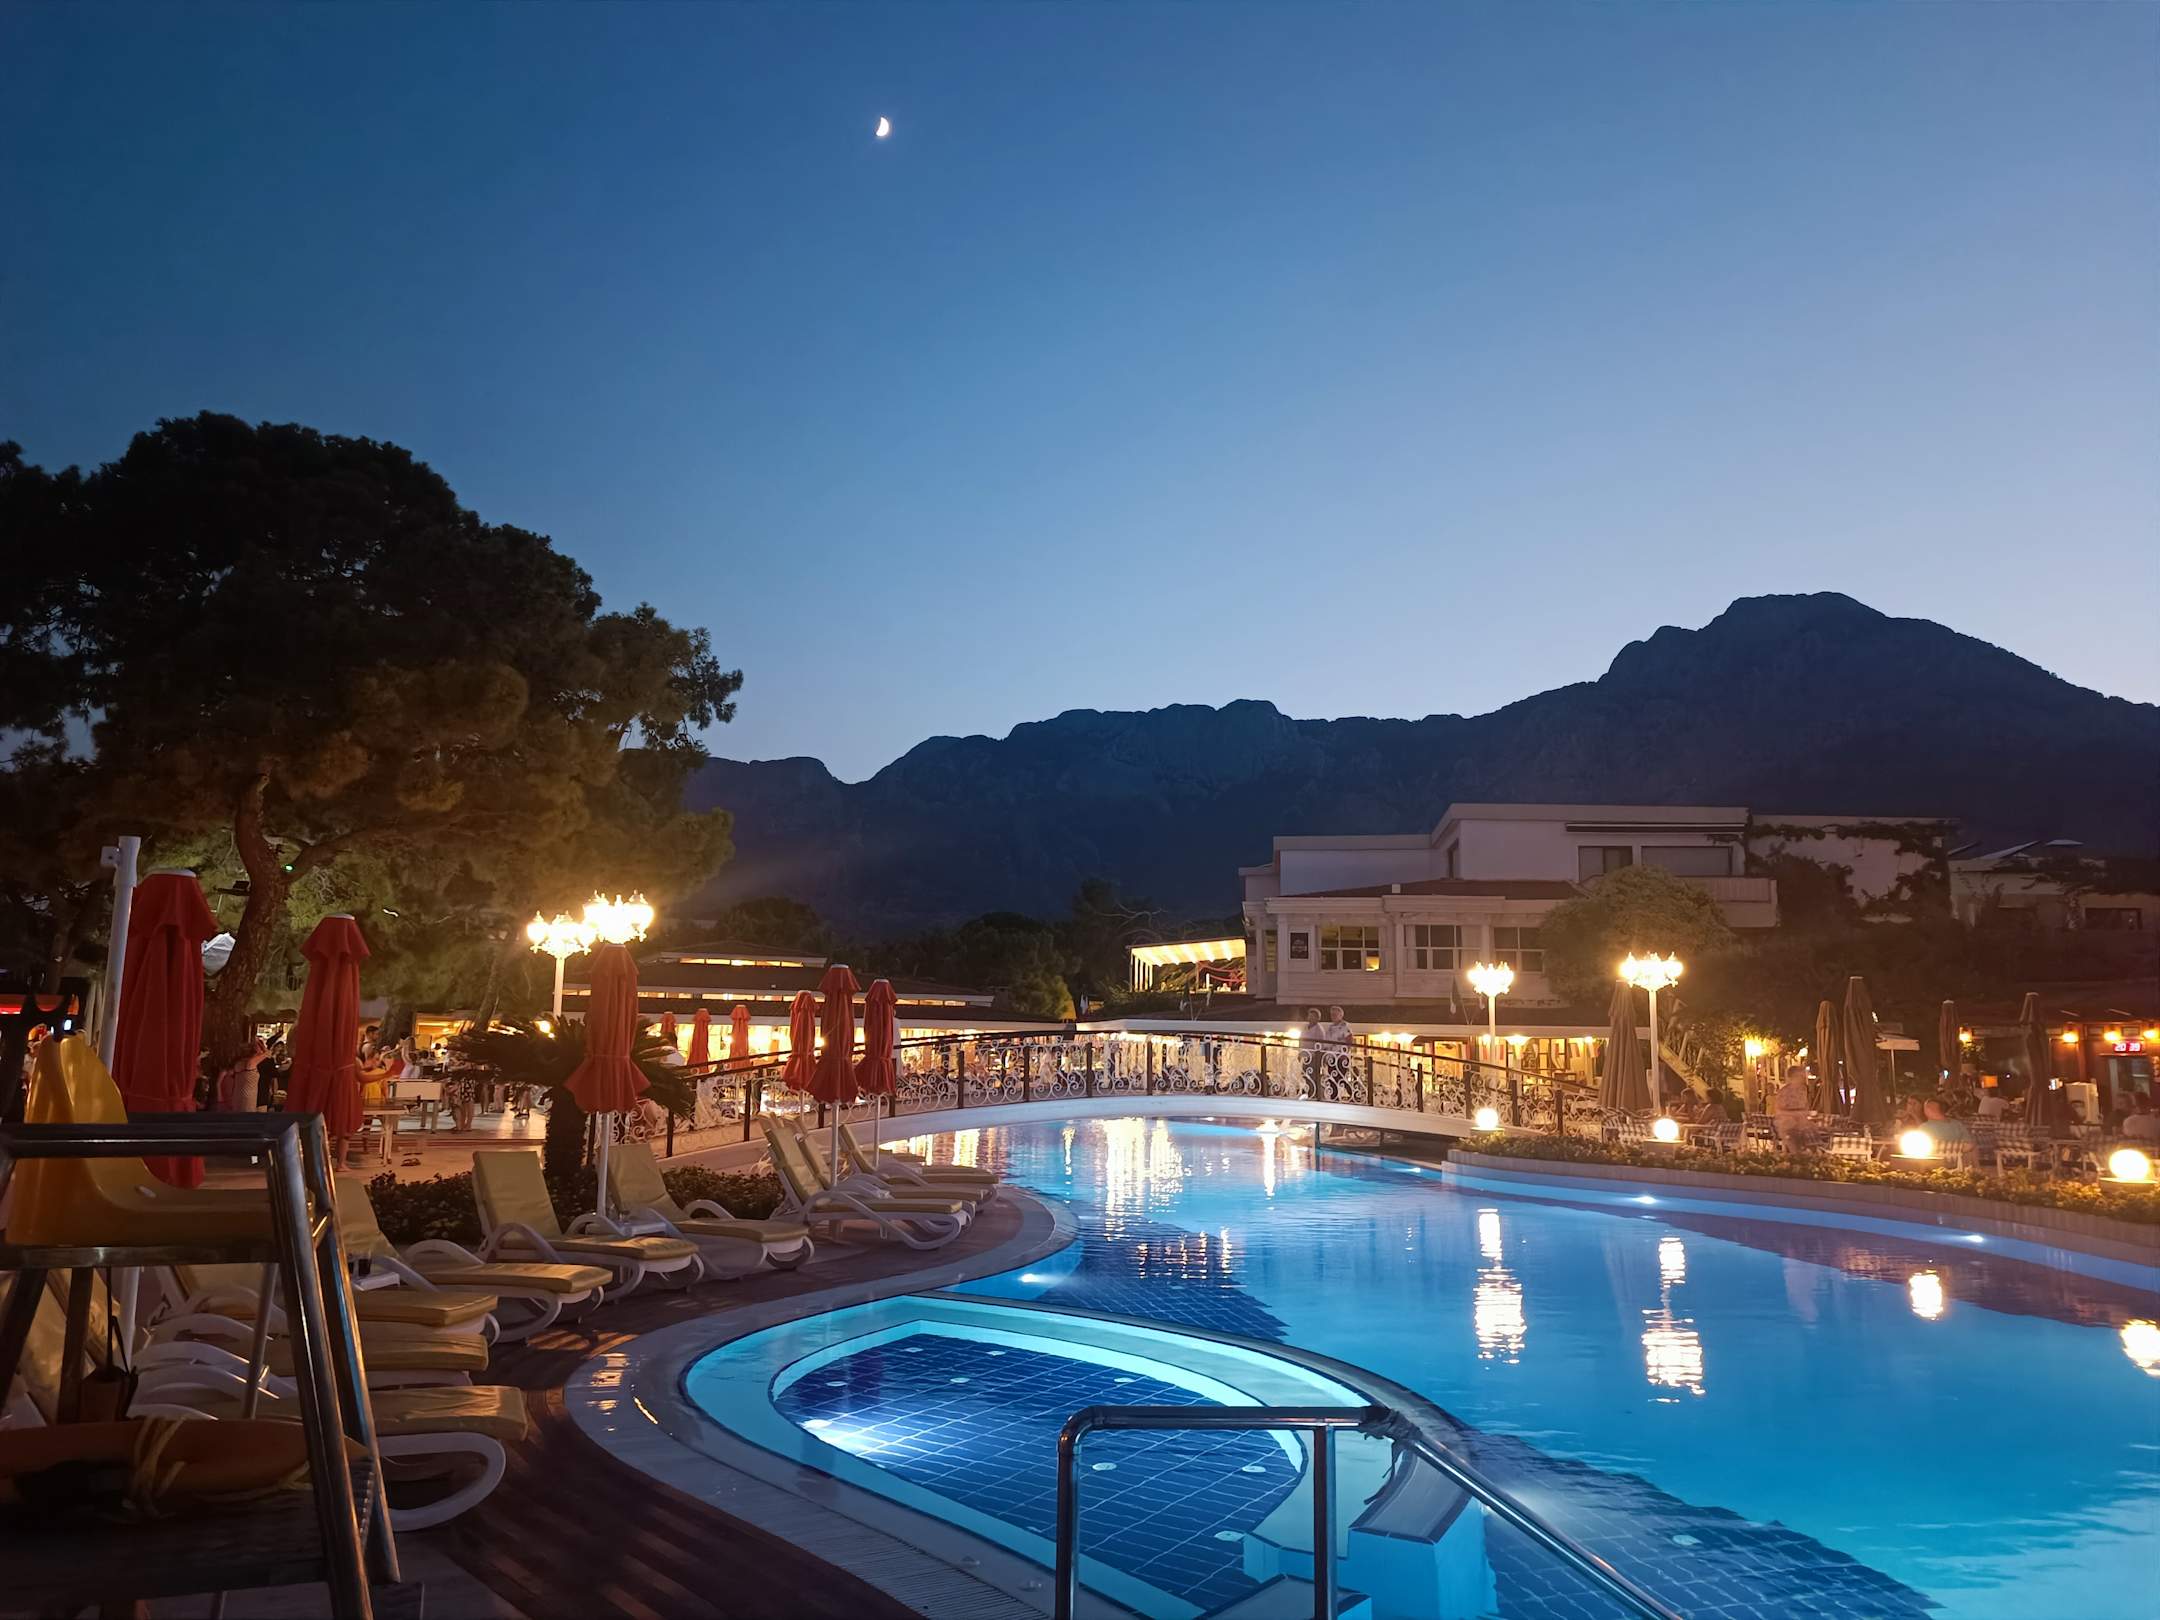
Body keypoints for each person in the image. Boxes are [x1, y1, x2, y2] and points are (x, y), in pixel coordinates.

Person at [1773, 1064, 1816, 1151]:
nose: (1804, 1078)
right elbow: (1779, 1111)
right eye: (1801, 1076)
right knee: (1796, 1151)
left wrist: (1806, 1114)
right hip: (1789, 1126)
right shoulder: (1784, 1092)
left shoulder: (1803, 1090)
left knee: (1814, 1147)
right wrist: (1797, 1114)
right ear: (1793, 1077)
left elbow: (1805, 1107)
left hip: (1803, 1126)